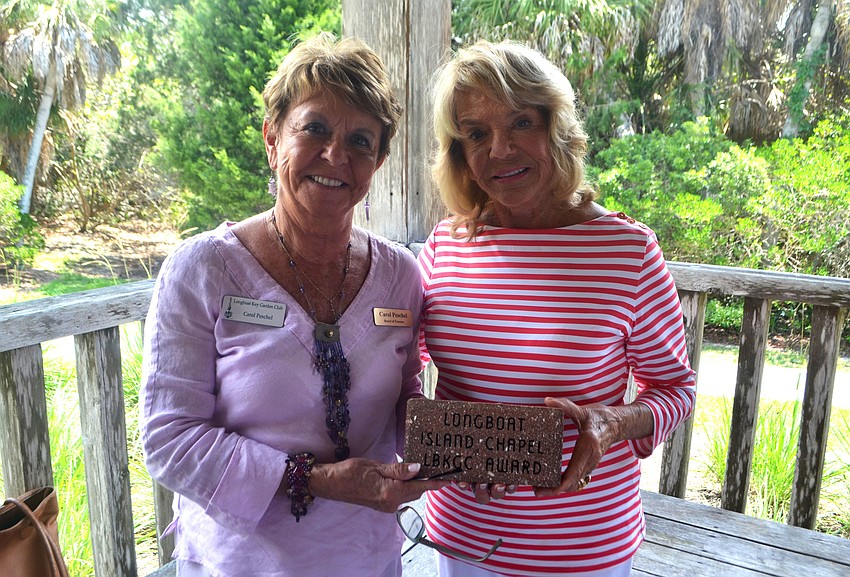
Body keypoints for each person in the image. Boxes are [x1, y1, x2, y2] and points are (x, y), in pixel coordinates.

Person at [140, 34, 446, 577]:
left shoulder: (400, 274)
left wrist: (469, 446)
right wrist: (317, 479)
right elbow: (169, 441)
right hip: (237, 563)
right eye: (315, 129)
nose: (336, 156)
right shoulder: (203, 269)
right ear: (272, 137)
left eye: (361, 140)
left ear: (377, 162)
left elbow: (404, 396)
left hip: (366, 558)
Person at [417, 40, 697, 577]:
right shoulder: (445, 246)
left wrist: (612, 421)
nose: (499, 150)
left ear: (557, 129)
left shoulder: (627, 250)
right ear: (460, 155)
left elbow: (677, 390)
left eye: (520, 123)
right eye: (476, 134)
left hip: (584, 544)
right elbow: (405, 365)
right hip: (462, 535)